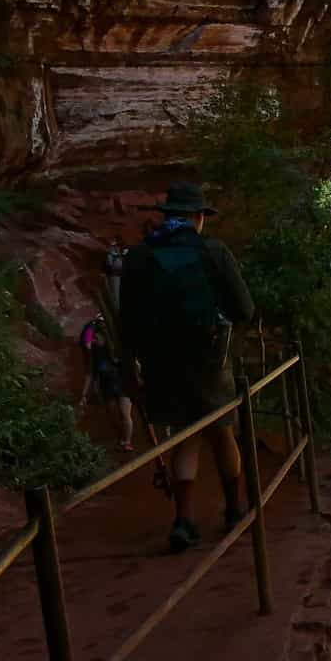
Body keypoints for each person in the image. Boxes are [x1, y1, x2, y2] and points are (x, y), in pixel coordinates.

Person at [119, 182, 256, 553]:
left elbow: (126, 321)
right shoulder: (214, 251)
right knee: (223, 433)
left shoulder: (139, 256)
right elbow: (244, 309)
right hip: (209, 359)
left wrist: (129, 369)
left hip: (160, 362)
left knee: (184, 434)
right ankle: (233, 509)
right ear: (198, 217)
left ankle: (183, 520)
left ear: (168, 216)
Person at [78, 314, 135, 452]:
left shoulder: (116, 347)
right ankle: (121, 436)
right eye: (93, 339)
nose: (95, 341)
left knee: (125, 413)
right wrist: (84, 394)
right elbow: (90, 374)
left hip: (122, 383)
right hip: (106, 386)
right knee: (112, 414)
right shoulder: (94, 353)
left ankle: (126, 442)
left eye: (96, 338)